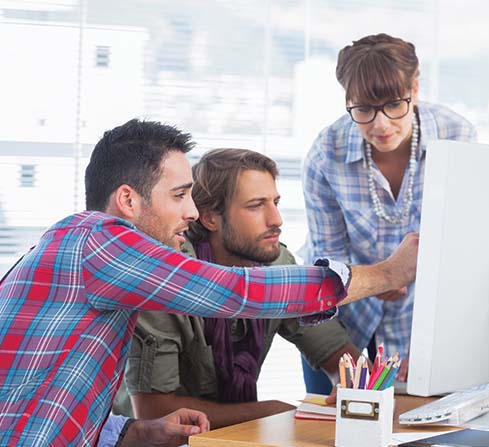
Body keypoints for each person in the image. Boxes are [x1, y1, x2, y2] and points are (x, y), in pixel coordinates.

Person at [0, 119, 418, 446]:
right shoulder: (99, 240)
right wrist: (389, 273)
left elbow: (47, 397)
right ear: (128, 200)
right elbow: (238, 292)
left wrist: (131, 434)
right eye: (180, 195)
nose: (192, 213)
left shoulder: (86, 253)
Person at [115, 148, 361, 427]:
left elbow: (335, 352)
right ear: (210, 219)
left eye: (275, 202)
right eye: (256, 205)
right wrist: (272, 411)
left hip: (235, 437)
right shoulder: (166, 279)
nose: (276, 220)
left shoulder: (276, 262)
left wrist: (352, 386)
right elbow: (154, 411)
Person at [301, 33, 476, 393]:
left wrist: (436, 345)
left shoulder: (457, 137)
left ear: (415, 90)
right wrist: (381, 279)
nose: (380, 125)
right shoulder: (326, 154)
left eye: (394, 105)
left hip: (424, 322)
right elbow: (328, 260)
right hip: (345, 321)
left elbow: (466, 251)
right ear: (347, 100)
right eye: (363, 109)